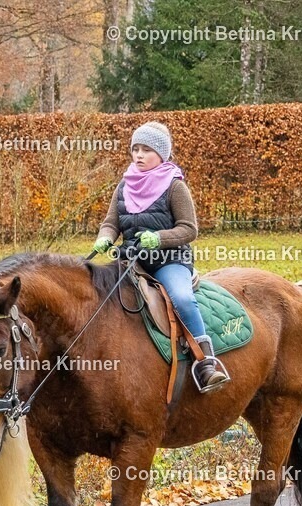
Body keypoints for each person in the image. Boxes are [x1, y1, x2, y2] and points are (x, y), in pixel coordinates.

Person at [92, 121, 229, 393]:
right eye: (135, 149)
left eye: (146, 150)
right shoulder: (124, 185)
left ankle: (206, 362)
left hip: (169, 261)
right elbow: (111, 222)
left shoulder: (174, 186)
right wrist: (105, 236)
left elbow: (190, 229)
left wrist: (160, 238)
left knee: (181, 297)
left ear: (162, 155)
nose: (139, 155)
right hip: (131, 260)